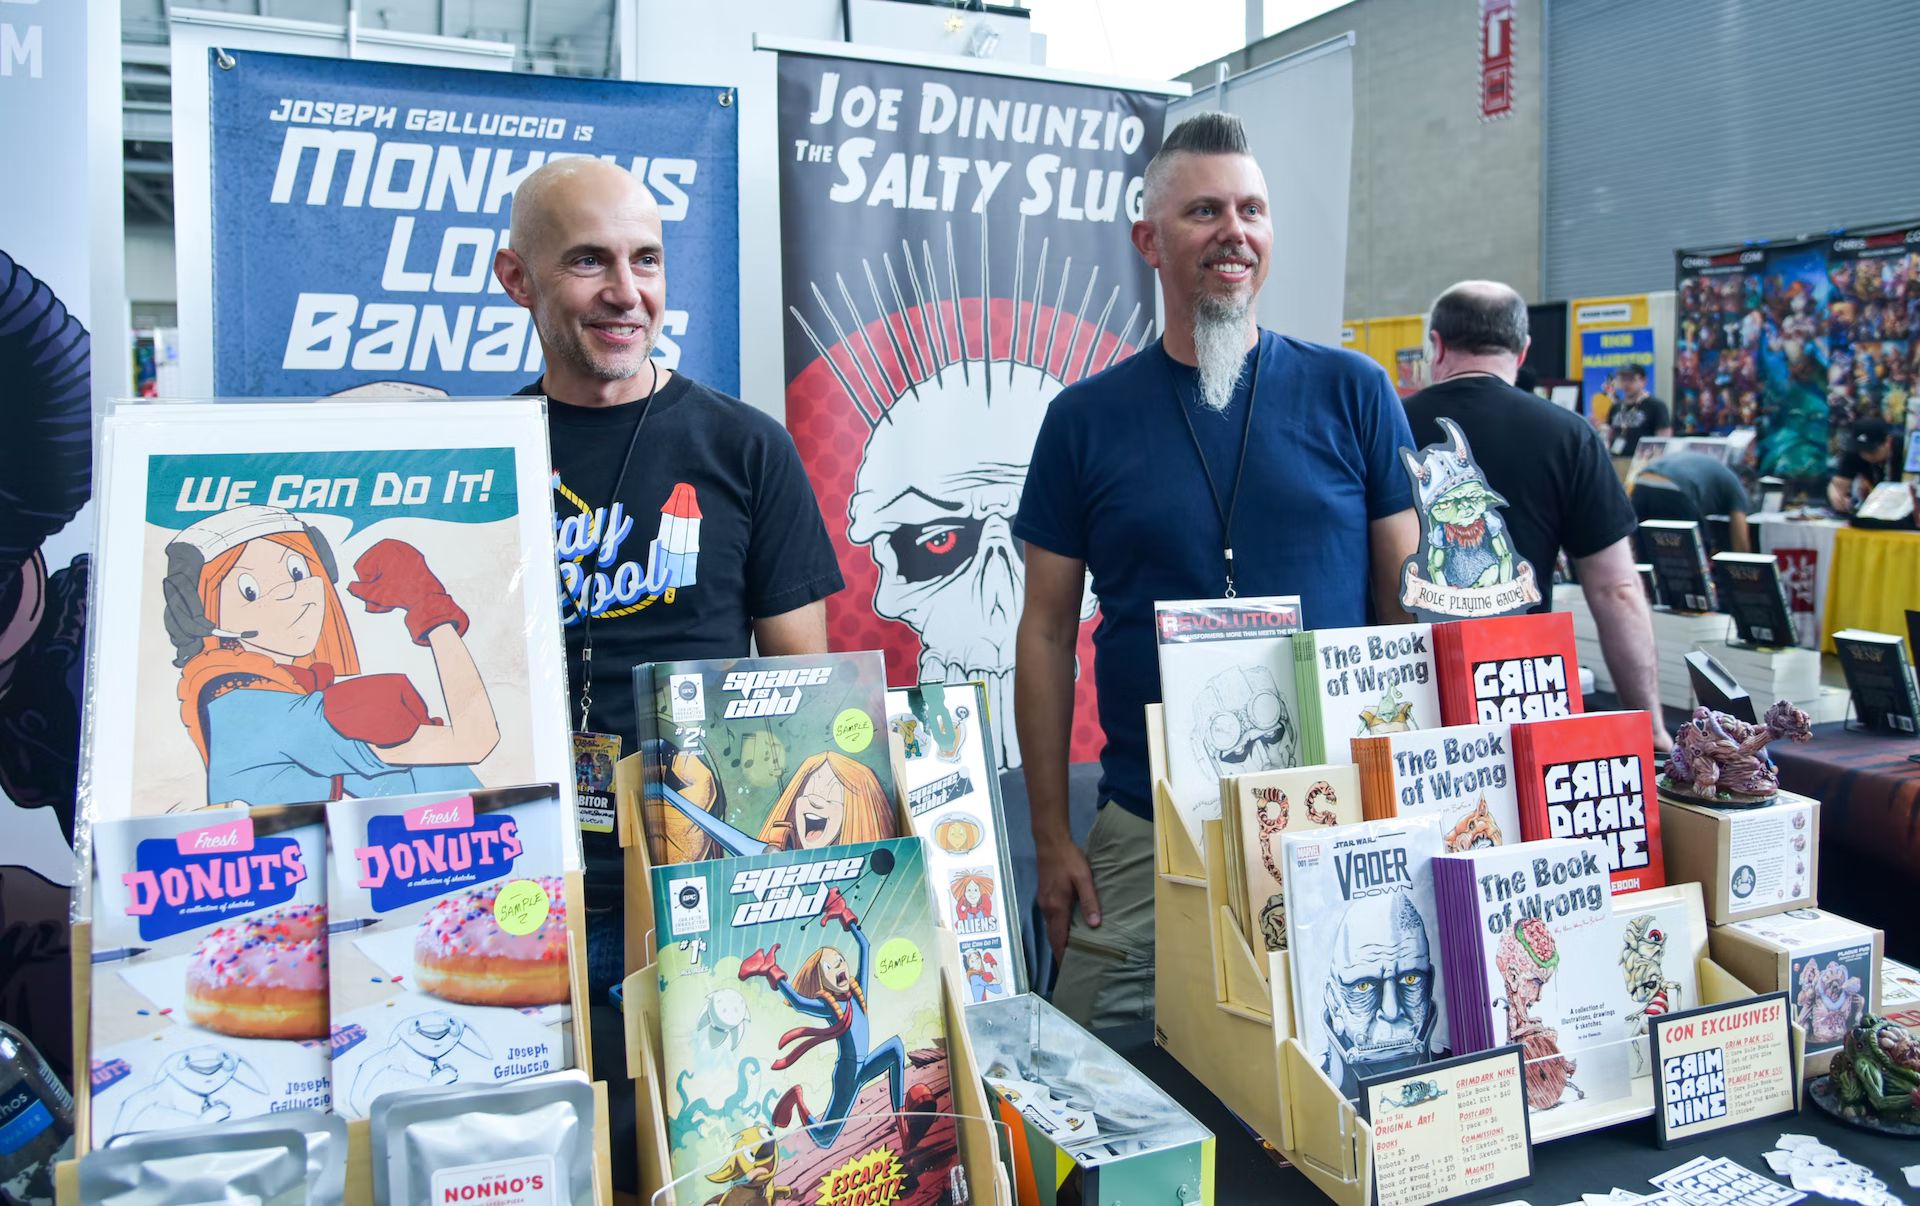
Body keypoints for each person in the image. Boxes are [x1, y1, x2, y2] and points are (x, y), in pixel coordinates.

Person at [1013, 111, 1419, 1031]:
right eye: (1204, 211)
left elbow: (1404, 611)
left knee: (1334, 1061)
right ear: (1149, 241)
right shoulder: (1084, 420)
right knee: (1085, 1075)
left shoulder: (1353, 391)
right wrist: (1051, 837)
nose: (1235, 231)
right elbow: (1044, 632)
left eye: (1252, 210)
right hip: (1149, 830)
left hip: (1336, 821)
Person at [493, 157, 843, 1191]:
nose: (625, 292)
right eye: (588, 262)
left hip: (694, 902)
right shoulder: (479, 456)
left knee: (704, 1175)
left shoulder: (746, 449)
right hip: (520, 893)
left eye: (644, 260)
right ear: (517, 279)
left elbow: (807, 696)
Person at [1404, 281, 1669, 754]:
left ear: (1437, 346)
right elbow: (1617, 589)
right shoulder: (1570, 435)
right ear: (1522, 351)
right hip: (1518, 695)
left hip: (1405, 694)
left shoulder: (1386, 424)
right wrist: (1650, 730)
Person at [1632, 451, 1753, 552]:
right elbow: (1740, 543)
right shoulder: (1736, 484)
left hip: (1642, 482)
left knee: (1642, 547)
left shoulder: (1714, 470)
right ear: (1745, 482)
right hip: (1674, 486)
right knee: (1697, 550)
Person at [1827, 418, 1897, 514]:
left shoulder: (1905, 451)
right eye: (1862, 451)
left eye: (1872, 451)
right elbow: (1838, 484)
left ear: (1888, 441)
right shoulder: (1854, 453)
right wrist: (1836, 496)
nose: (1866, 456)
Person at [1602, 362, 1671, 457]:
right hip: (1616, 458)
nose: (1626, 384)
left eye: (1631, 379)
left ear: (1643, 381)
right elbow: (1609, 433)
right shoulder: (1616, 407)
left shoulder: (1656, 405)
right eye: (1623, 379)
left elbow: (1663, 438)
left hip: (1643, 460)